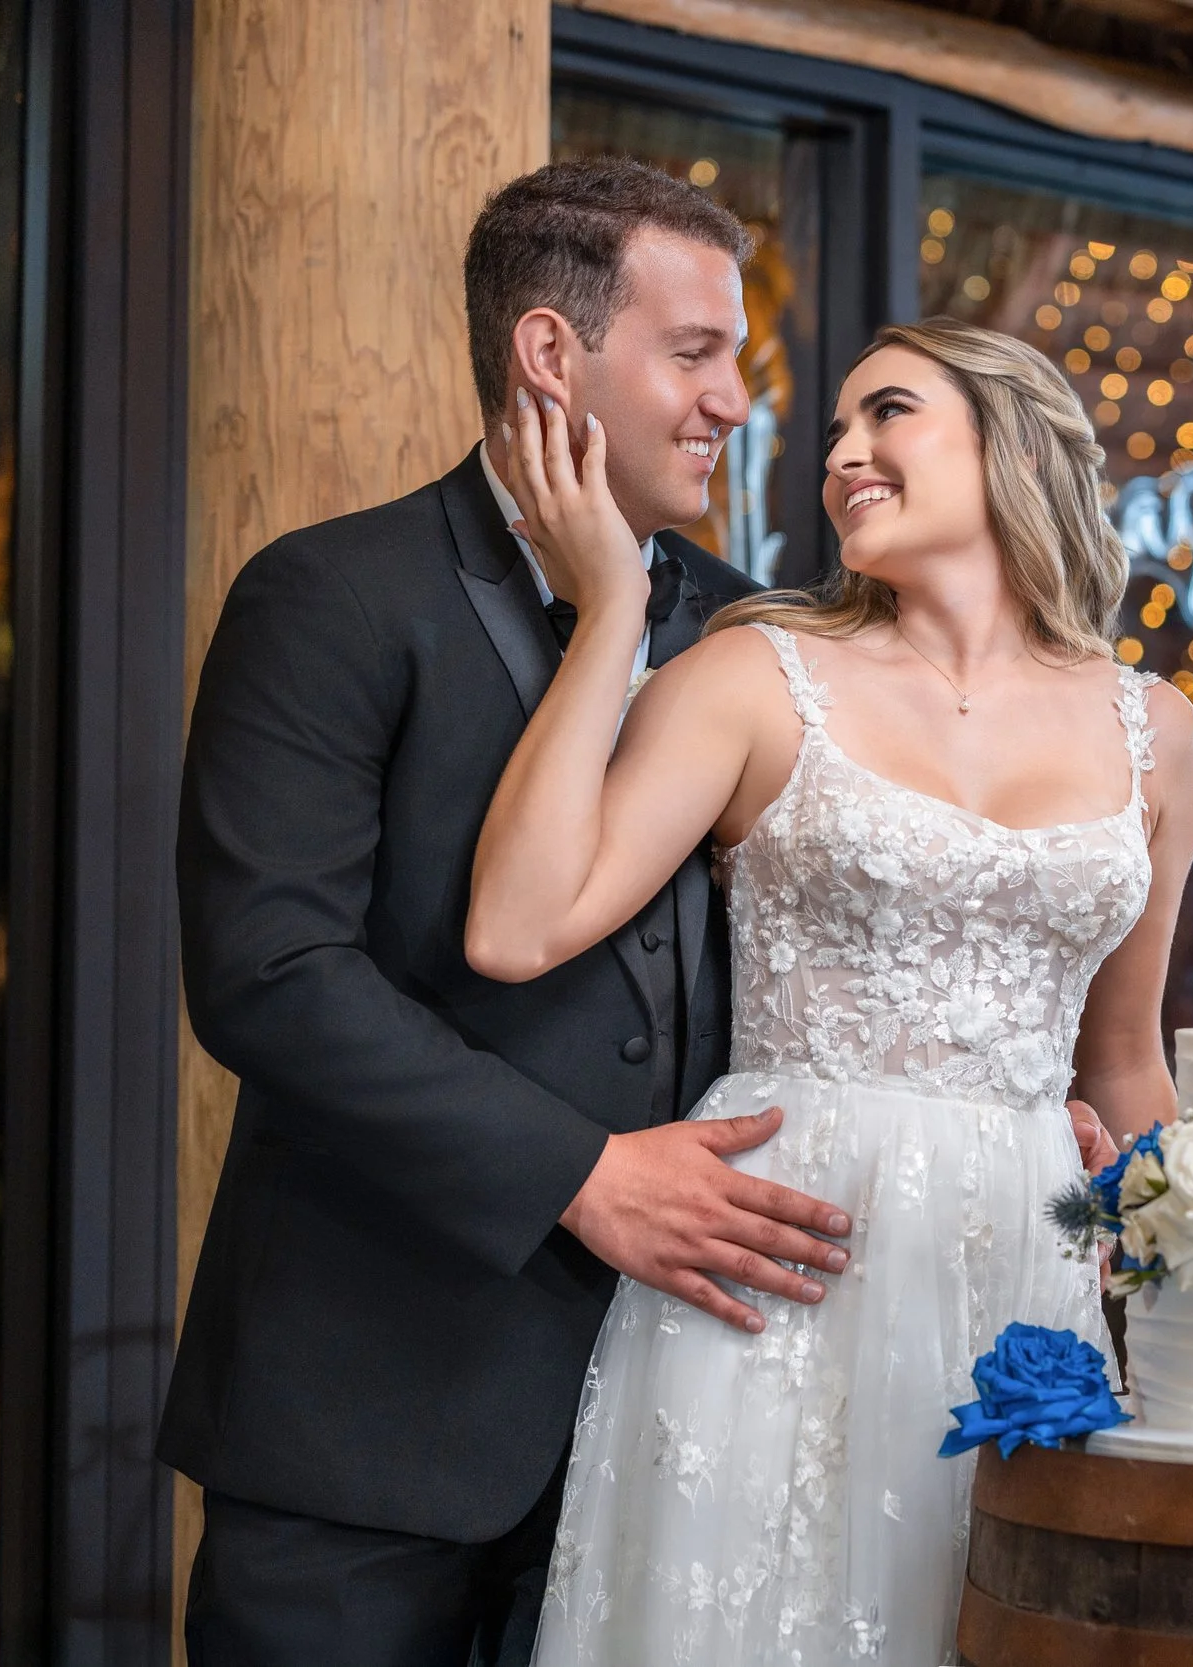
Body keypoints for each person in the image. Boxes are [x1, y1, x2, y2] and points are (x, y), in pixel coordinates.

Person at [165, 158, 829, 1665]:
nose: (735, 399)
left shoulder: (745, 630)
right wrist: (576, 1170)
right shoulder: (329, 595)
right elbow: (269, 974)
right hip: (364, 1419)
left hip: (673, 1408)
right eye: (696, 352)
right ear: (551, 351)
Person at [466, 317, 1193, 1664]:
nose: (843, 455)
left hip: (1029, 1276)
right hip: (785, 1261)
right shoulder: (756, 677)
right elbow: (518, 926)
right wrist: (611, 615)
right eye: (837, 433)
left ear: (1013, 443)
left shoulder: (1157, 730)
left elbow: (1126, 1063)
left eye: (890, 415)